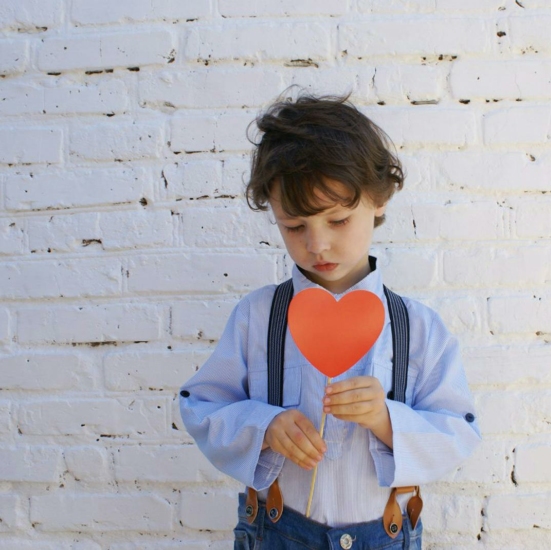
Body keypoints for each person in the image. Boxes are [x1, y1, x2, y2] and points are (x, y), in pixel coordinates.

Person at [179, 93, 481, 549]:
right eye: (295, 227)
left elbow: (459, 431)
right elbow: (201, 406)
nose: (317, 245)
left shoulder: (417, 328)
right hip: (278, 533)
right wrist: (263, 426)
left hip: (384, 534)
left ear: (379, 201)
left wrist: (386, 419)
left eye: (337, 220)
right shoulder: (257, 318)